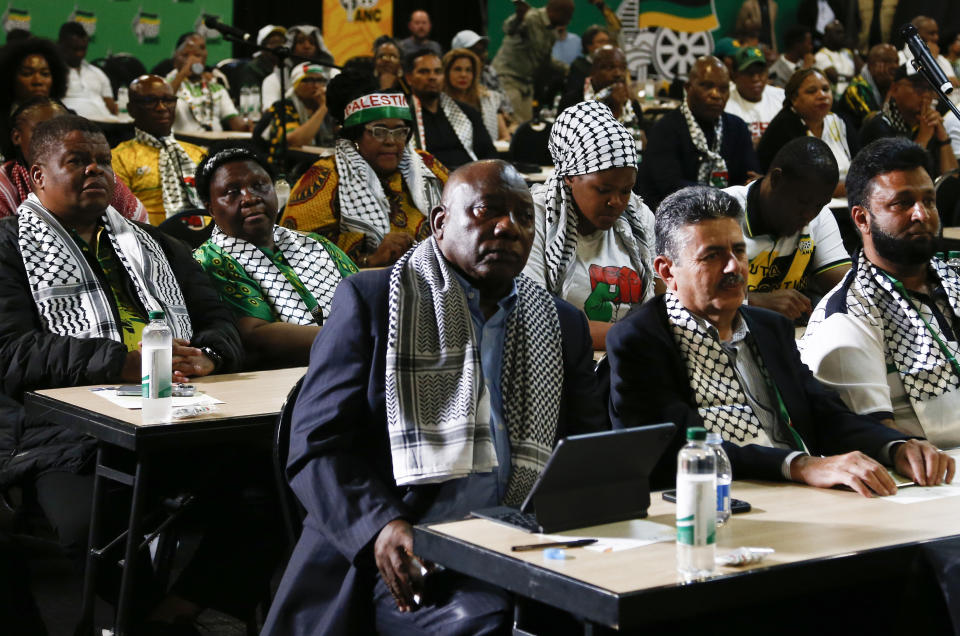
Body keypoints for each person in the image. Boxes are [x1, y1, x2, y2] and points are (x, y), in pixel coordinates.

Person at [261, 159, 607, 635]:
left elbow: (590, 447)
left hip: (526, 537)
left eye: (525, 217)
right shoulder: (373, 300)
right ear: (441, 223)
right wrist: (380, 526)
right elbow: (317, 447)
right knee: (486, 622)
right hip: (413, 547)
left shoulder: (560, 323)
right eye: (487, 211)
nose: (508, 228)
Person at [0, 116, 277, 631]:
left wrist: (212, 356)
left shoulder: (154, 243)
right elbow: (10, 352)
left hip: (181, 416)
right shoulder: (8, 248)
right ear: (37, 177)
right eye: (77, 161)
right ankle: (150, 615)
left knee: (278, 483)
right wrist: (121, 362)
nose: (95, 170)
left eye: (103, 161)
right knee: (91, 527)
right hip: (61, 432)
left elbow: (216, 317)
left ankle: (175, 612)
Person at [607, 184, 954, 493]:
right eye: (712, 256)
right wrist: (798, 465)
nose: (733, 268)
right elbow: (677, 448)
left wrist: (896, 446)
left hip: (800, 497)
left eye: (738, 251)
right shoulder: (641, 339)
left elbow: (824, 414)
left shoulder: (767, 327)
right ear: (667, 271)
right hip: (715, 505)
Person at [801, 137, 960, 448]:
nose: (922, 215)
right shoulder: (847, 316)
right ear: (862, 218)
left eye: (928, 200)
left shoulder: (952, 277)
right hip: (932, 477)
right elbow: (875, 437)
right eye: (902, 203)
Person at [193, 145, 356, 369]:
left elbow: (362, 299)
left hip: (352, 361)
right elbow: (255, 337)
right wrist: (353, 336)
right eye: (232, 192)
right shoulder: (211, 261)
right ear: (210, 208)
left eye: (260, 186)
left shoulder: (317, 245)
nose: (249, 198)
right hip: (284, 380)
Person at [523, 101, 656, 350]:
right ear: (570, 177)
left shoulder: (637, 216)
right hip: (564, 365)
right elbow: (537, 318)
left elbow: (662, 299)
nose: (616, 202)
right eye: (603, 189)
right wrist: (637, 337)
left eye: (626, 190)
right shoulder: (534, 218)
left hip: (631, 360)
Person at [283, 71, 447, 267]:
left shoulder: (426, 165)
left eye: (400, 132)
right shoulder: (327, 176)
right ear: (356, 137)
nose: (390, 141)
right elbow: (296, 254)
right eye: (379, 131)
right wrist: (369, 260)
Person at [724, 137, 850, 321]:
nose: (809, 215)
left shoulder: (820, 217)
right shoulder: (721, 212)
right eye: (802, 202)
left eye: (819, 205)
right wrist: (754, 301)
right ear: (776, 179)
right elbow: (685, 295)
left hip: (792, 340)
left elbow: (847, 288)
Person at [638, 56, 759, 210]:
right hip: (673, 219)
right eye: (707, 86)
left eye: (723, 89)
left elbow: (750, 178)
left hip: (727, 215)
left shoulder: (737, 127)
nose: (716, 95)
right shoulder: (665, 128)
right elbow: (671, 188)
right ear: (688, 88)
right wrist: (726, 195)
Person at [0, 97, 146, 222]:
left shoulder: (97, 175)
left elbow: (141, 229)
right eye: (43, 130)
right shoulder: (4, 186)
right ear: (16, 137)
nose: (57, 140)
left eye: (65, 131)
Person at [111, 75, 206, 225]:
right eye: (150, 101)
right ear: (131, 109)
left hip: (207, 239)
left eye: (168, 100)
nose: (161, 108)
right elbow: (119, 217)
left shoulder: (198, 153)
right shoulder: (119, 158)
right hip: (150, 240)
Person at [757, 68, 855, 197]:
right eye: (811, 91)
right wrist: (851, 189)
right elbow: (796, 186)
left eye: (825, 89)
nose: (822, 95)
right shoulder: (784, 126)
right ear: (794, 99)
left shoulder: (839, 121)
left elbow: (861, 165)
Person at [859, 66, 959, 179]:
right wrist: (923, 137)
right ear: (895, 89)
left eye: (930, 89)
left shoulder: (928, 125)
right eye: (919, 87)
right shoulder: (879, 126)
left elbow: (952, 180)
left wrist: (943, 139)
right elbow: (898, 180)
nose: (926, 95)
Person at [404, 49, 496, 170]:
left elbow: (489, 153)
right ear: (409, 78)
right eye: (424, 72)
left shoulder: (467, 112)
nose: (432, 77)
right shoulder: (402, 116)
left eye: (438, 72)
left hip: (471, 180)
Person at [492, 0, 575, 122]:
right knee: (511, 122)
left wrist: (569, 69)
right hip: (508, 77)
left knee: (526, 125)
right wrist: (519, 18)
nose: (570, 20)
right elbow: (508, 28)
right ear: (557, 12)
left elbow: (545, 60)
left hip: (526, 82)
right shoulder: (531, 17)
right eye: (568, 15)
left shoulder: (552, 31)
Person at [558, 46, 643, 155]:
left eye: (622, 68)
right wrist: (615, 110)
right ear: (594, 70)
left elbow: (641, 146)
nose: (618, 74)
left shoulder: (631, 103)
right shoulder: (572, 101)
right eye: (610, 68)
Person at [166, 33, 251, 134]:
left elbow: (235, 121)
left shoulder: (216, 87)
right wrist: (183, 73)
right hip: (184, 144)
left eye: (197, 55)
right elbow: (164, 100)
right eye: (185, 55)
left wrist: (248, 126)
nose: (192, 60)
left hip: (214, 144)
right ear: (175, 59)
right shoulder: (166, 84)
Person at [255, 63, 334, 165]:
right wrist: (323, 108)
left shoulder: (324, 104)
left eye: (320, 80)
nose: (316, 85)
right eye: (308, 80)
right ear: (296, 85)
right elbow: (294, 141)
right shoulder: (283, 106)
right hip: (284, 167)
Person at [442, 48, 510, 143]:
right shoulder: (438, 101)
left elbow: (505, 137)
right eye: (458, 69)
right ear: (446, 72)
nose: (463, 75)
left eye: (468, 70)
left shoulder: (488, 99)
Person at [724, 45, 787, 145]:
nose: (756, 78)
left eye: (760, 72)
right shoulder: (725, 103)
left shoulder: (781, 98)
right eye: (749, 73)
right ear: (735, 76)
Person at [58, 21, 117, 120]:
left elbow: (111, 107)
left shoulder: (98, 73)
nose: (79, 54)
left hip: (106, 125)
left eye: (83, 49)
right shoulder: (53, 72)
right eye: (75, 49)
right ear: (61, 44)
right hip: (72, 126)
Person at [0, 36, 67, 118]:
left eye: (45, 74)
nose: (38, 81)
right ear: (10, 78)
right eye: (27, 73)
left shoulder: (67, 117)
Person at [837, 43, 898, 130]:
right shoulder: (856, 89)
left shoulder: (885, 84)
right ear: (872, 65)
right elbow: (876, 126)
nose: (895, 66)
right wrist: (890, 94)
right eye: (887, 61)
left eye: (896, 61)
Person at [235, 25, 287, 107]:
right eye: (273, 43)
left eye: (282, 42)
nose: (279, 46)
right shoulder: (251, 69)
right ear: (262, 46)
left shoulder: (287, 67)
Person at [562, 24, 613, 99]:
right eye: (601, 42)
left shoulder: (614, 66)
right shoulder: (578, 67)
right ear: (589, 45)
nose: (606, 46)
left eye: (607, 42)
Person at [813, 20, 860, 100]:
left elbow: (863, 71)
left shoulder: (847, 52)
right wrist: (856, 79)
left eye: (843, 32)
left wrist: (853, 51)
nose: (842, 36)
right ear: (827, 36)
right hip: (836, 100)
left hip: (855, 97)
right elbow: (835, 77)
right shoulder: (821, 55)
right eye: (838, 33)